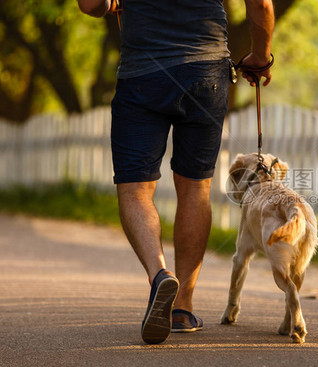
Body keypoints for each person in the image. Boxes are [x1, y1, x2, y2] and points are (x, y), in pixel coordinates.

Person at [77, 0, 274, 344]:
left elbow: (91, 4)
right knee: (196, 187)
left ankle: (159, 275)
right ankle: (182, 307)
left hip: (143, 73)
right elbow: (260, 3)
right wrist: (260, 55)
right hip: (206, 72)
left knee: (135, 190)